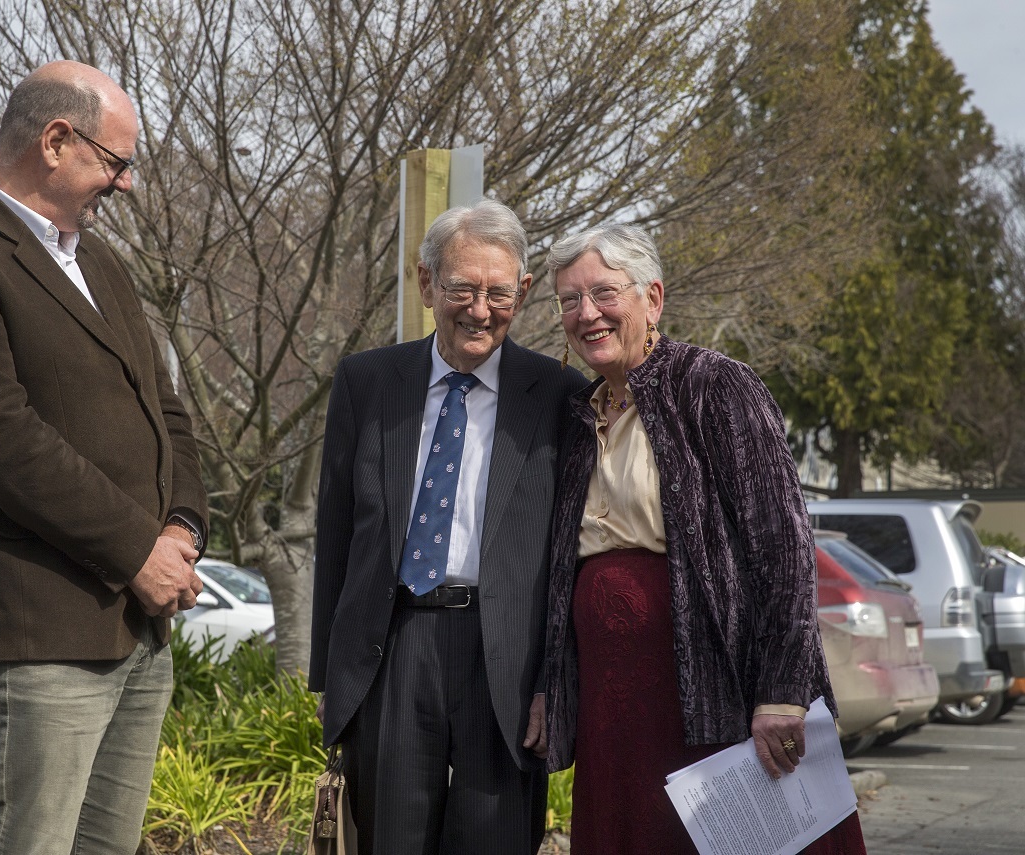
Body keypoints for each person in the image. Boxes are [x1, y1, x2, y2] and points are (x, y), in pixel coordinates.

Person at [0, 61, 208, 854]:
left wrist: (183, 528)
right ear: (56, 140)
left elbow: (166, 411)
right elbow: (2, 441)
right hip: (40, 636)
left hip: (138, 627)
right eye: (116, 162)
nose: (125, 185)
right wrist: (138, 551)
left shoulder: (100, 264)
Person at [542, 223, 867, 853]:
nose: (586, 314)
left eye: (604, 294)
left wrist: (782, 693)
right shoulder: (580, 414)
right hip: (615, 702)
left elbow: (784, 548)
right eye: (567, 301)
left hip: (709, 689)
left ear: (652, 299)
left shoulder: (712, 386)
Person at [310, 199, 586, 855]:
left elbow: (568, 557)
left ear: (522, 292)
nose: (480, 309)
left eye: (499, 293)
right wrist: (330, 677)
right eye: (463, 288)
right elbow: (337, 535)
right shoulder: (367, 382)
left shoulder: (560, 395)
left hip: (506, 662)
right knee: (392, 840)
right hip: (393, 647)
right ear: (428, 282)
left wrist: (554, 680)